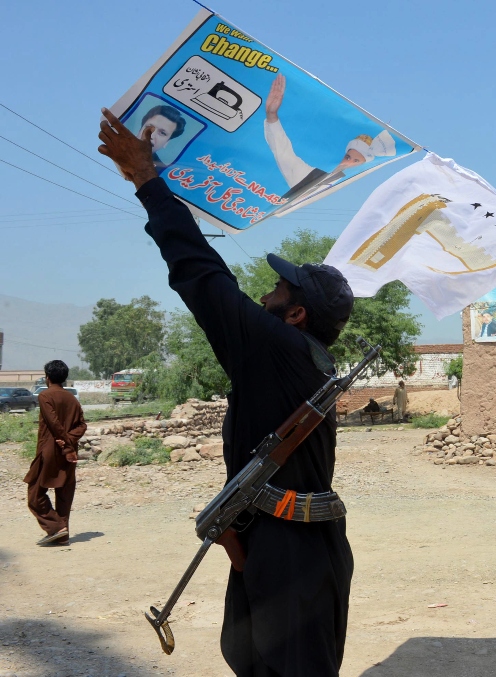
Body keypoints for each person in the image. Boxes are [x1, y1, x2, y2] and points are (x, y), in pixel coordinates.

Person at [99, 107, 356, 675]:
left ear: (295, 315)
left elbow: (201, 274)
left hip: (295, 551)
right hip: (278, 542)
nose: (264, 294)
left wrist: (149, 181)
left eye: (277, 290)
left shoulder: (280, 351)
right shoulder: (302, 357)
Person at [264, 74, 396, 202]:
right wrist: (271, 114)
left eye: (356, 161)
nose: (348, 162)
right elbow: (282, 149)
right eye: (348, 157)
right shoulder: (306, 175)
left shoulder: (349, 192)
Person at [23, 360, 87, 546]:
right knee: (64, 493)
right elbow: (82, 425)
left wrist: (65, 445)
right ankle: (62, 535)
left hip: (50, 451)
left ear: (47, 377)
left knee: (35, 493)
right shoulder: (72, 399)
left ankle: (56, 527)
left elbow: (54, 424)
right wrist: (70, 443)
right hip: (69, 453)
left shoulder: (45, 396)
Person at [137, 105, 186, 171]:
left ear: (166, 142)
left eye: (162, 133)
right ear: (140, 129)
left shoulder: (160, 173)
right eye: (149, 127)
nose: (151, 136)